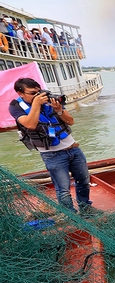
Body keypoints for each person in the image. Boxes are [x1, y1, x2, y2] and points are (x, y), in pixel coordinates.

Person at [8, 77, 100, 217]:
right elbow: (31, 124)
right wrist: (36, 105)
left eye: (38, 92)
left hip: (73, 148)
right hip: (52, 155)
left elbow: (71, 121)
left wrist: (58, 110)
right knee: (63, 189)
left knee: (83, 181)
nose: (38, 96)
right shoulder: (15, 107)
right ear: (20, 94)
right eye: (32, 93)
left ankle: (86, 209)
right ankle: (70, 216)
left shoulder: (48, 100)